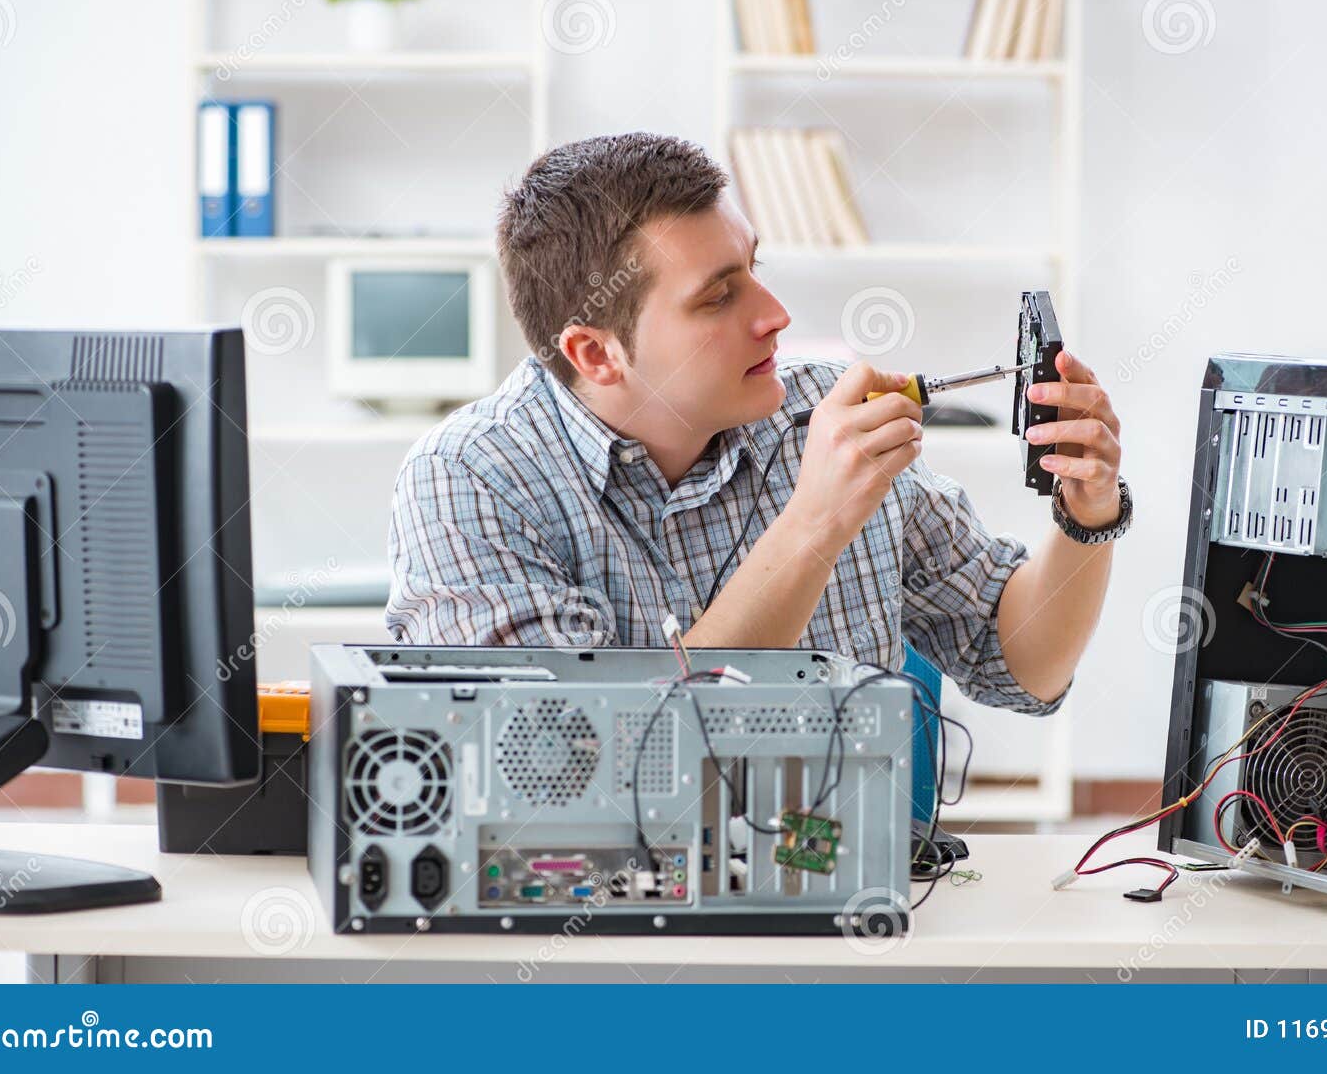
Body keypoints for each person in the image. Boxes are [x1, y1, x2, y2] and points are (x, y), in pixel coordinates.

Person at [386, 133, 1130, 714]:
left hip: (851, 896)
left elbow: (1023, 665)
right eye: (718, 297)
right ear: (596, 352)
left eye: (755, 268)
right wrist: (815, 524)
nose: (774, 316)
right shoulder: (471, 480)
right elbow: (581, 765)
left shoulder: (818, 412)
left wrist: (1085, 513)